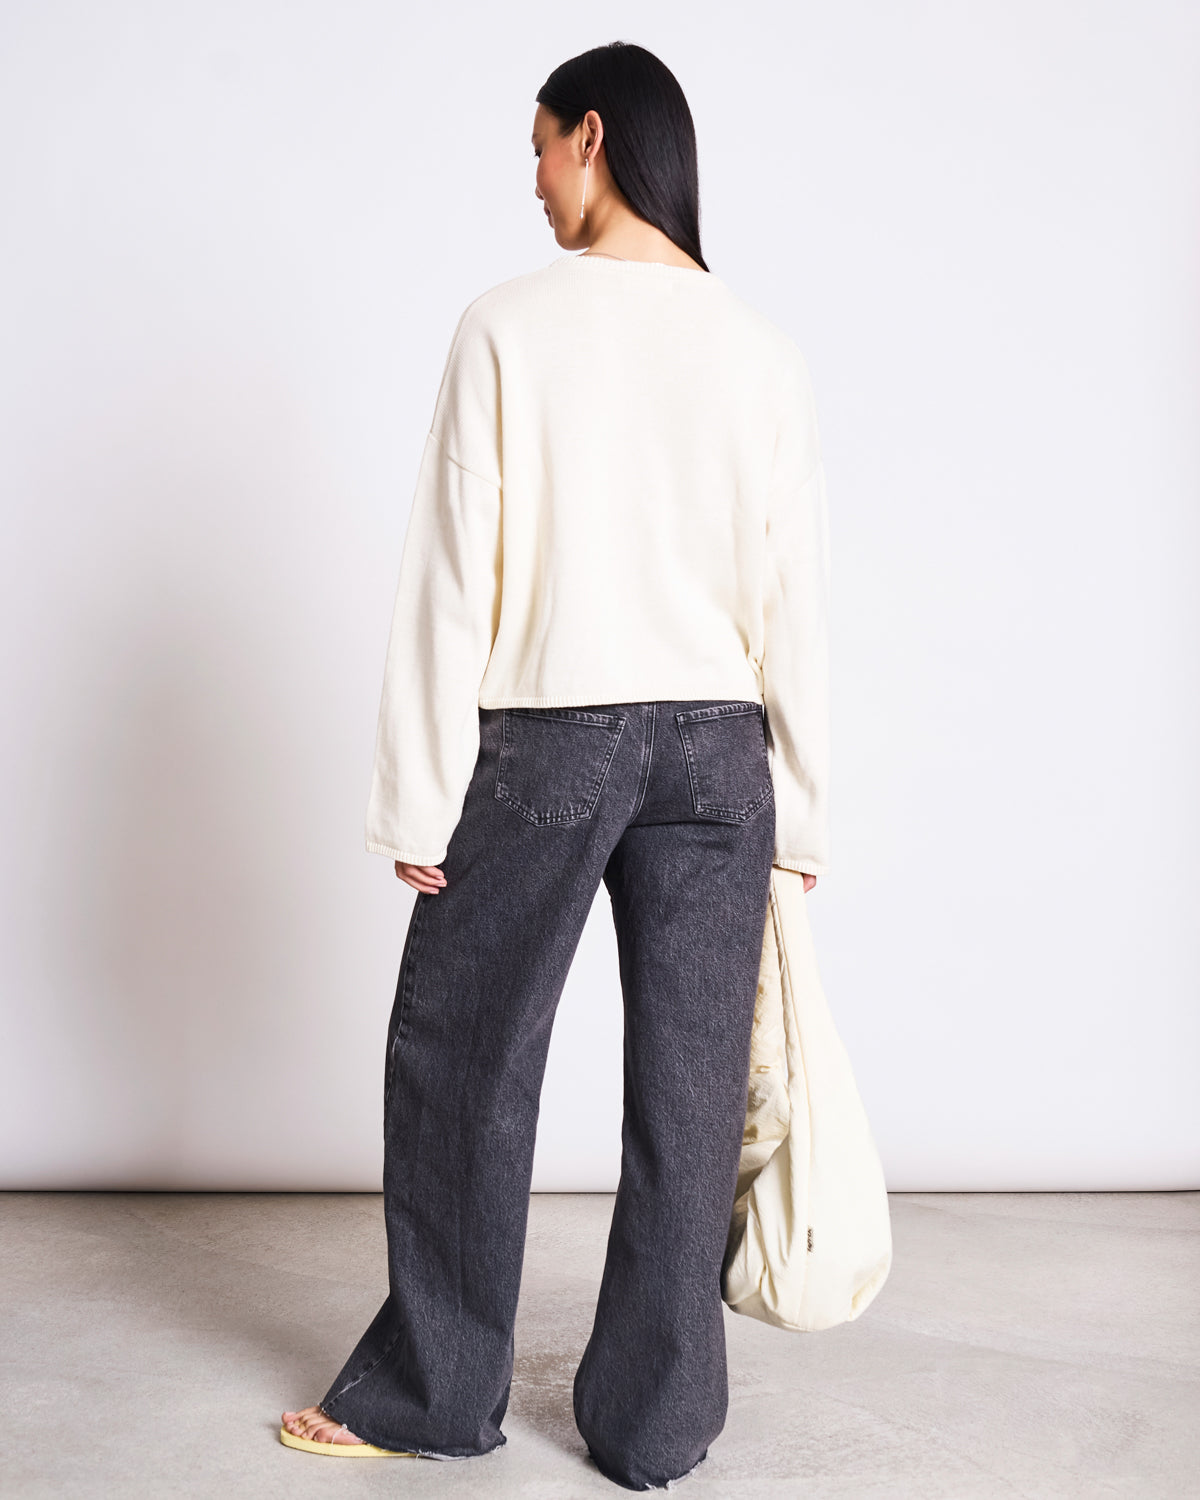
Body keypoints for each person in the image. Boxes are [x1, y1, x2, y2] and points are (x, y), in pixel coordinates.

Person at [280, 38, 831, 1493]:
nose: (529, 181)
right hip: (722, 751)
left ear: (595, 137)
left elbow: (451, 578)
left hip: (553, 741)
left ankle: (433, 1391)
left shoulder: (508, 328)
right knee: (691, 1095)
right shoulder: (760, 347)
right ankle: (656, 1429)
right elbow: (795, 594)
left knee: (463, 1057)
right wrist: (808, 803)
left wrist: (417, 784)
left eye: (538, 148)